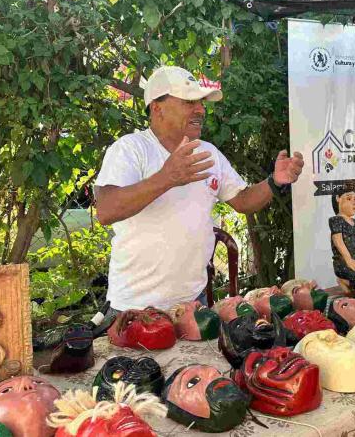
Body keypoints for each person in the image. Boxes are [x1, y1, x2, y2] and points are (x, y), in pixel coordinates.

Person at [94, 66, 304, 312]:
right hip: (135, 308)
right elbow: (106, 210)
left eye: (201, 103)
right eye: (189, 102)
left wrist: (274, 181)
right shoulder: (131, 149)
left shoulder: (208, 152)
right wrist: (167, 178)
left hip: (193, 302)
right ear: (157, 108)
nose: (201, 110)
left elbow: (243, 200)